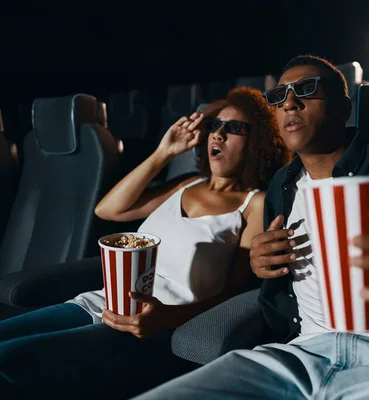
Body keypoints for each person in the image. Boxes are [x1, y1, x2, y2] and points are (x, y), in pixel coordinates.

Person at [133, 55, 369, 400]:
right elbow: (275, 291)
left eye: (307, 90)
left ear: (343, 107)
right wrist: (261, 268)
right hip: (295, 354)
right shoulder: (282, 183)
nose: (290, 103)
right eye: (279, 96)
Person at [0, 86, 291, 399]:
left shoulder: (254, 204)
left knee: (8, 362)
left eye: (233, 128)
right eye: (214, 126)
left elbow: (235, 293)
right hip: (98, 302)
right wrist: (164, 152)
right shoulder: (186, 183)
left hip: (153, 326)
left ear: (258, 141)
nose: (218, 135)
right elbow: (109, 209)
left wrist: (166, 317)